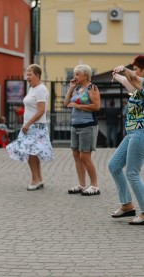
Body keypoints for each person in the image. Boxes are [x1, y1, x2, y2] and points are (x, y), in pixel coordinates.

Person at [6, 64, 54, 191]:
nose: (27, 77)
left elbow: (41, 111)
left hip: (35, 126)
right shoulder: (32, 88)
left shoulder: (41, 89)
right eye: (26, 74)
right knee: (33, 153)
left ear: (37, 75)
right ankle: (39, 178)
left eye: (30, 74)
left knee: (31, 153)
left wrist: (27, 124)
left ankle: (35, 180)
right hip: (30, 126)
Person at [109, 55, 144, 225]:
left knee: (132, 172)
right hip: (131, 133)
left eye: (137, 68)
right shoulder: (137, 87)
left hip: (140, 133)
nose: (135, 71)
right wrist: (117, 74)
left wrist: (125, 69)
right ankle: (127, 205)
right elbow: (127, 80)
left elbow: (133, 77)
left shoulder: (142, 83)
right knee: (114, 166)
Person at [64, 64, 101, 196]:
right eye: (75, 74)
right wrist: (71, 88)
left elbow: (97, 106)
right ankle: (81, 184)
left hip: (88, 125)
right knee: (76, 156)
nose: (75, 77)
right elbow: (66, 103)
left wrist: (79, 106)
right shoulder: (77, 88)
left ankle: (94, 185)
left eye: (78, 74)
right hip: (75, 125)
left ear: (86, 75)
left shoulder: (92, 87)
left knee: (85, 156)